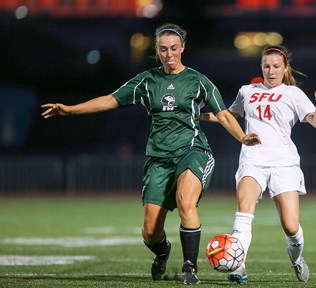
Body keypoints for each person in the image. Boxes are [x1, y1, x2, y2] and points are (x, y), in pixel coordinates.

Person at [41, 23, 260, 285]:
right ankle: (162, 251)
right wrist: (70, 110)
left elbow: (223, 113)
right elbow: (111, 100)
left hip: (192, 150)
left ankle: (190, 268)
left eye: (174, 49)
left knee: (185, 202)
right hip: (158, 158)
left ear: (182, 49)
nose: (169, 55)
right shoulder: (146, 81)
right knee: (149, 231)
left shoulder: (198, 81)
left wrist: (243, 137)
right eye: (164, 50)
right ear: (157, 50)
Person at [200, 45, 316, 284]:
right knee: (244, 209)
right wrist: (197, 116)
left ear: (285, 68)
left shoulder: (293, 94)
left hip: (284, 163)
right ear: (261, 67)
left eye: (276, 66)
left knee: (291, 227)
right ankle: (238, 266)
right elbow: (227, 116)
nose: (271, 71)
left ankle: (297, 258)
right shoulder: (247, 91)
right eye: (267, 66)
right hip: (253, 159)